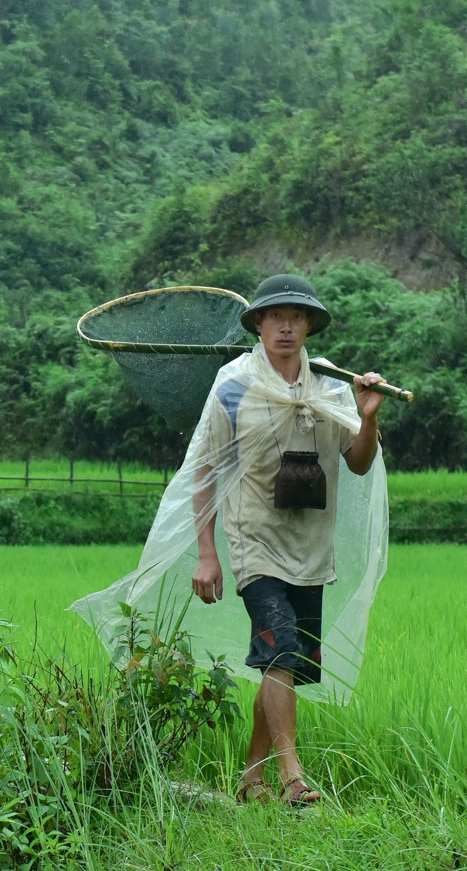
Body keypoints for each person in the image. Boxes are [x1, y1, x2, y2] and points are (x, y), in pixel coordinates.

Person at [189, 274, 385, 806]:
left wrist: (367, 420)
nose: (285, 324)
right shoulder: (233, 386)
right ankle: (292, 776)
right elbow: (204, 471)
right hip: (254, 542)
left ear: (308, 326)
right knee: (279, 646)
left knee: (288, 663)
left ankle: (251, 778)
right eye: (275, 315)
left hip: (311, 548)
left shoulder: (333, 387)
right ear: (258, 322)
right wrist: (208, 554)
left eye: (296, 317)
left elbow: (360, 463)